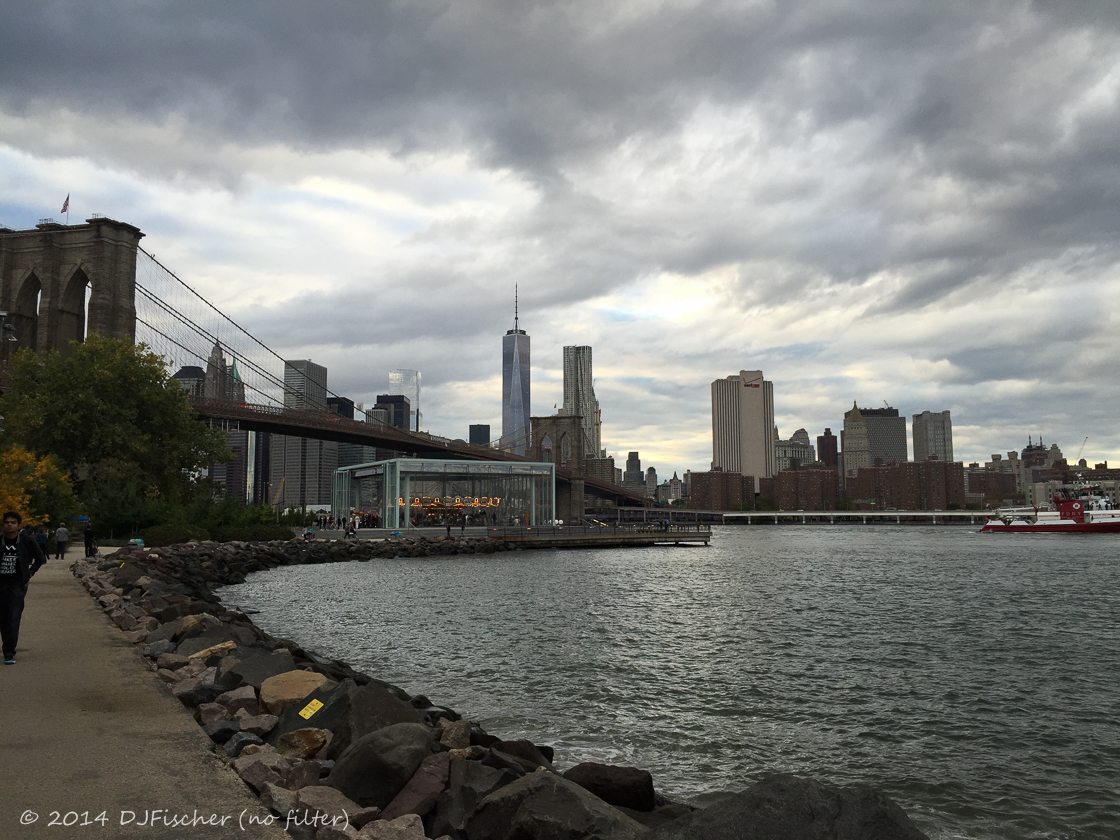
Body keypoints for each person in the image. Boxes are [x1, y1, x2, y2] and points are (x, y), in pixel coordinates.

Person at [1, 511, 48, 665]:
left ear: (18, 525)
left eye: (13, 522)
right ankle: (7, 647)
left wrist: (29, 573)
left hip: (17, 585)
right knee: (3, 618)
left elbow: (40, 558)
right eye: (7, 522)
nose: (9, 525)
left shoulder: (26, 541)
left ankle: (9, 652)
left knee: (14, 617)